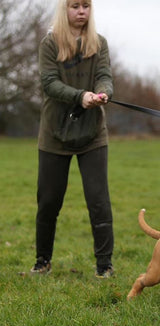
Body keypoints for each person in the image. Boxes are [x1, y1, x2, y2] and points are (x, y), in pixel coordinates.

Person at [31, 0, 114, 278]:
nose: (81, 11)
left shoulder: (99, 42)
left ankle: (105, 266)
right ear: (64, 10)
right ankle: (42, 261)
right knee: (49, 201)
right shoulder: (50, 43)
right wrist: (81, 96)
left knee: (98, 201)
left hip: (93, 133)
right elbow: (49, 83)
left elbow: (105, 77)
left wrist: (102, 93)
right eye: (75, 6)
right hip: (55, 133)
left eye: (86, 6)